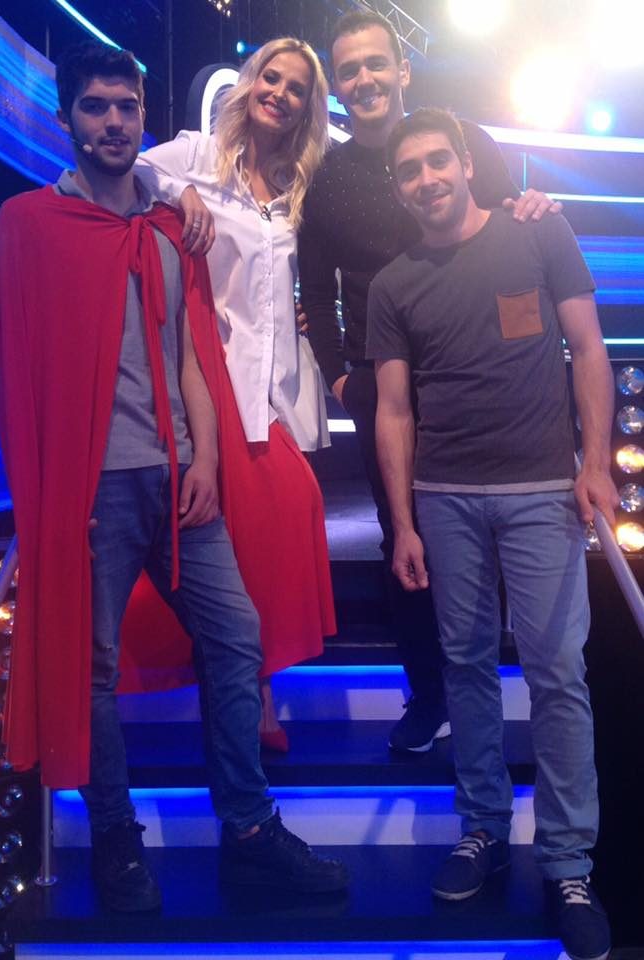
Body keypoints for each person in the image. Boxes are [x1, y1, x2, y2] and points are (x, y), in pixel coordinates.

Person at [0, 40, 348, 913]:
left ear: (143, 116)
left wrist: (208, 458)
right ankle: (117, 838)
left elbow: (191, 353)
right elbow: (15, 371)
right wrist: (50, 497)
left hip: (182, 481)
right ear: (67, 117)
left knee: (237, 639)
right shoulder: (32, 225)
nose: (114, 123)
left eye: (127, 107)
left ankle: (249, 832)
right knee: (94, 666)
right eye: (96, 107)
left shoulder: (164, 227)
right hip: (94, 493)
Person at [368, 106, 616, 960]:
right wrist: (403, 522)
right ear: (398, 186)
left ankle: (568, 862)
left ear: (467, 163)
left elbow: (589, 349)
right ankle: (482, 828)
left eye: (439, 161)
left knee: (557, 674)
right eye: (410, 170)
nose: (427, 179)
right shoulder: (393, 283)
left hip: (544, 491)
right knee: (467, 667)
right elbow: (392, 411)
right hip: (445, 499)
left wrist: (595, 463)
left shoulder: (539, 233)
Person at [298, 10, 562, 753]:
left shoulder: (459, 140)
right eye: (350, 70)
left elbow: (508, 225)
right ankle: (429, 694)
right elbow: (315, 291)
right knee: (403, 542)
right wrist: (339, 380)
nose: (365, 79)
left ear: (403, 70)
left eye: (376, 63)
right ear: (337, 86)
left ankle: (494, 687)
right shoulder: (327, 179)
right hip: (383, 388)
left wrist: (535, 204)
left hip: (472, 374)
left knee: (487, 530)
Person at [134, 38, 335, 751]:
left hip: (274, 385)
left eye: (295, 87)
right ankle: (251, 697)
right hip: (207, 371)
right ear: (250, 84)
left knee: (282, 518)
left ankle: (254, 686)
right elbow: (132, 167)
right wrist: (180, 192)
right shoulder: (198, 154)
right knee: (234, 535)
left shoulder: (298, 185)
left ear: (308, 107)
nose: (279, 93)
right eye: (270, 78)